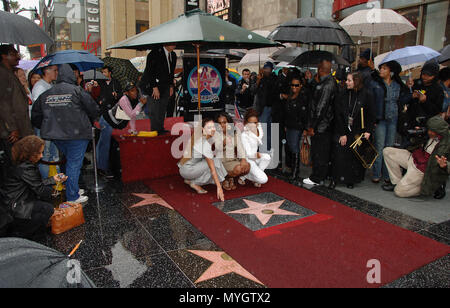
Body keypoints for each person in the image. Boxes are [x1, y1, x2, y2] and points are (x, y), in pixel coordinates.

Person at [31, 64, 100, 204]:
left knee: (69, 162)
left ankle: (71, 188)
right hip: (77, 134)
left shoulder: (47, 93)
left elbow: (36, 115)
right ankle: (73, 196)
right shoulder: (77, 91)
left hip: (56, 135)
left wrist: (47, 127)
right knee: (74, 164)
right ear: (71, 76)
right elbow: (93, 109)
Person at [2, 136, 67, 241]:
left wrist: (52, 180)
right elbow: (40, 190)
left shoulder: (21, 163)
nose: (41, 156)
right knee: (47, 209)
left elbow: (33, 183)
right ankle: (24, 234)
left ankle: (32, 232)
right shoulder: (26, 168)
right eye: (39, 153)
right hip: (17, 205)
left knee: (43, 208)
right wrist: (55, 192)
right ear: (31, 154)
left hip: (13, 202)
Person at [382, 115, 449, 198]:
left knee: (399, 192)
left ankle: (428, 188)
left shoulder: (447, 143)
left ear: (439, 131)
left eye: (432, 131)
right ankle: (396, 182)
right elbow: (415, 142)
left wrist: (445, 165)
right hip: (414, 158)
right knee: (387, 151)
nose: (429, 132)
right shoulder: (429, 133)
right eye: (429, 130)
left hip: (423, 170)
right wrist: (416, 135)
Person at [330, 72, 375, 189]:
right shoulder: (343, 94)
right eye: (346, 80)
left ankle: (351, 179)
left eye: (349, 80)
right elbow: (338, 114)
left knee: (354, 156)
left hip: (358, 130)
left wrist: (368, 130)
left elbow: (371, 114)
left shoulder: (366, 95)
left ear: (357, 81)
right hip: (344, 128)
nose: (346, 82)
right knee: (339, 154)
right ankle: (336, 177)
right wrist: (342, 133)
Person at [371, 60, 411, 184]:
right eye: (381, 68)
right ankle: (377, 173)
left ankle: (388, 175)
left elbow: (404, 99)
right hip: (381, 119)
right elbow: (372, 101)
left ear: (391, 71)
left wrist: (410, 88)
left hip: (393, 118)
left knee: (389, 148)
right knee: (379, 146)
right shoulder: (377, 83)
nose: (381, 70)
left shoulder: (398, 85)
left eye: (384, 68)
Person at [97, 82, 147, 179]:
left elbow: (132, 118)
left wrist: (133, 130)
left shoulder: (134, 100)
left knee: (102, 145)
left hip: (110, 122)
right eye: (132, 91)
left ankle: (100, 166)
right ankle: (102, 169)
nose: (135, 93)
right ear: (126, 93)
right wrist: (141, 104)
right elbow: (131, 114)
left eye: (135, 90)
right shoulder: (124, 100)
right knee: (104, 145)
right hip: (106, 122)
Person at [303, 59, 338, 186]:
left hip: (322, 125)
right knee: (320, 152)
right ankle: (320, 175)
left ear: (321, 69)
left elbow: (321, 108)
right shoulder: (326, 82)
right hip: (323, 124)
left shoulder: (327, 85)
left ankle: (317, 178)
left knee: (319, 152)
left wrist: (313, 126)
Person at [0, 45, 34, 167]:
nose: (17, 56)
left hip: (19, 127)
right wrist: (12, 128)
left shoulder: (9, 73)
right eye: (14, 54)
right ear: (4, 56)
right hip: (12, 131)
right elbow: (3, 103)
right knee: (17, 165)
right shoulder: (3, 73)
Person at [179, 118, 227, 201]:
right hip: (188, 169)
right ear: (203, 129)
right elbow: (212, 169)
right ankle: (194, 182)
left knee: (213, 161)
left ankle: (189, 179)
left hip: (184, 167)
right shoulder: (203, 143)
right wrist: (219, 188)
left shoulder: (200, 136)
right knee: (215, 163)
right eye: (209, 127)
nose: (212, 129)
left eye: (213, 126)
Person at [140, 44, 177, 135]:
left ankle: (160, 128)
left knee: (162, 107)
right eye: (171, 43)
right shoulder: (154, 53)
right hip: (153, 84)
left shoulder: (173, 55)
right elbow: (150, 71)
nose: (173, 45)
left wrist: (171, 86)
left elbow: (171, 73)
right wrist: (154, 87)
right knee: (154, 108)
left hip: (166, 85)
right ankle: (155, 130)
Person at [31, 65, 60, 179]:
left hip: (52, 127)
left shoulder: (50, 85)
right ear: (47, 71)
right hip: (44, 127)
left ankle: (57, 182)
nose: (57, 72)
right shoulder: (40, 87)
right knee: (45, 155)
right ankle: (47, 183)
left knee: (54, 155)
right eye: (55, 70)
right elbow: (40, 109)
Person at [283, 74, 310, 181]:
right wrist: (285, 124)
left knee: (294, 147)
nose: (294, 87)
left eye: (296, 85)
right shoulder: (291, 96)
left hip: (297, 126)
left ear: (301, 86)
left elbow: (305, 114)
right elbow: (287, 112)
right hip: (289, 125)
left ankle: (295, 172)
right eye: (292, 85)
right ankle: (293, 170)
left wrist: (305, 128)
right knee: (290, 146)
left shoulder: (303, 98)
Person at [215, 113, 250, 191]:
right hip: (221, 161)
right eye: (220, 123)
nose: (222, 125)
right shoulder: (216, 132)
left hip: (232, 159)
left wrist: (243, 159)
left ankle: (230, 177)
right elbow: (216, 149)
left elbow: (240, 146)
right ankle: (224, 178)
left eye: (224, 122)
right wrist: (223, 143)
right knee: (238, 169)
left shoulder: (235, 130)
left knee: (247, 167)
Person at [239, 109, 272, 188]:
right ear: (246, 123)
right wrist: (257, 155)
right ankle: (247, 176)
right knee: (264, 180)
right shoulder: (244, 135)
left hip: (255, 156)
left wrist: (258, 155)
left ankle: (248, 176)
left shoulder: (259, 130)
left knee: (267, 157)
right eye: (250, 123)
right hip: (247, 159)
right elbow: (248, 154)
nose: (253, 125)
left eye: (255, 122)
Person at [407, 61, 444, 128]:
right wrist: (409, 91)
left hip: (428, 123)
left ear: (435, 76)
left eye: (429, 75)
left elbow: (437, 110)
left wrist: (425, 101)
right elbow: (403, 99)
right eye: (423, 74)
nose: (425, 77)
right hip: (411, 120)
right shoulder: (415, 83)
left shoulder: (438, 89)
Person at [254, 62, 278, 151]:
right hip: (262, 108)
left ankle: (267, 148)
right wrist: (259, 80)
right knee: (262, 129)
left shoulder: (274, 79)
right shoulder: (261, 79)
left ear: (271, 69)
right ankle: (262, 148)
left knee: (267, 130)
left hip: (270, 107)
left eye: (268, 68)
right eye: (265, 68)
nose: (266, 70)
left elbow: (273, 92)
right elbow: (254, 91)